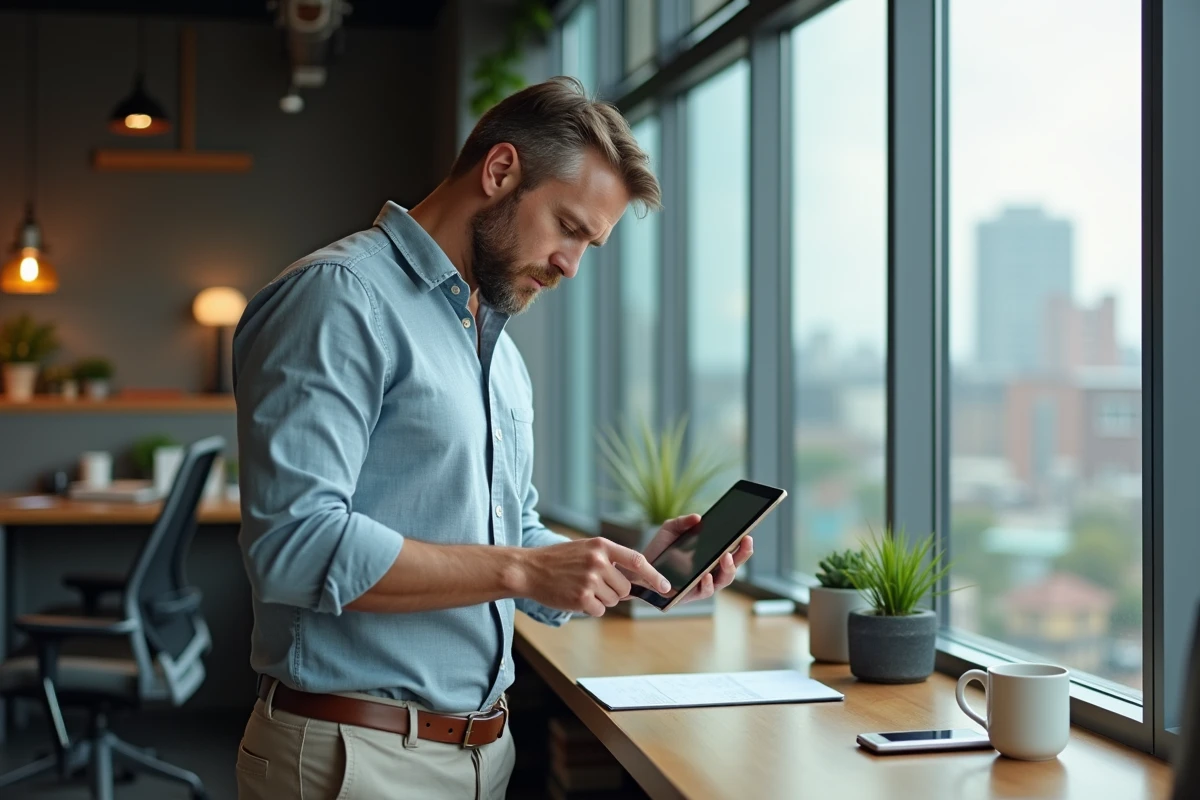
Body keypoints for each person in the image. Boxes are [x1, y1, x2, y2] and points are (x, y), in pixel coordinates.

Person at [231, 76, 754, 800]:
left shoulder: (496, 348)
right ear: (501, 170)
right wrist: (522, 571)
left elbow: (510, 535)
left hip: (481, 758)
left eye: (590, 245)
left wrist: (631, 571)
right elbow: (294, 547)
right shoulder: (340, 298)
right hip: (357, 759)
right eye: (568, 227)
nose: (571, 264)